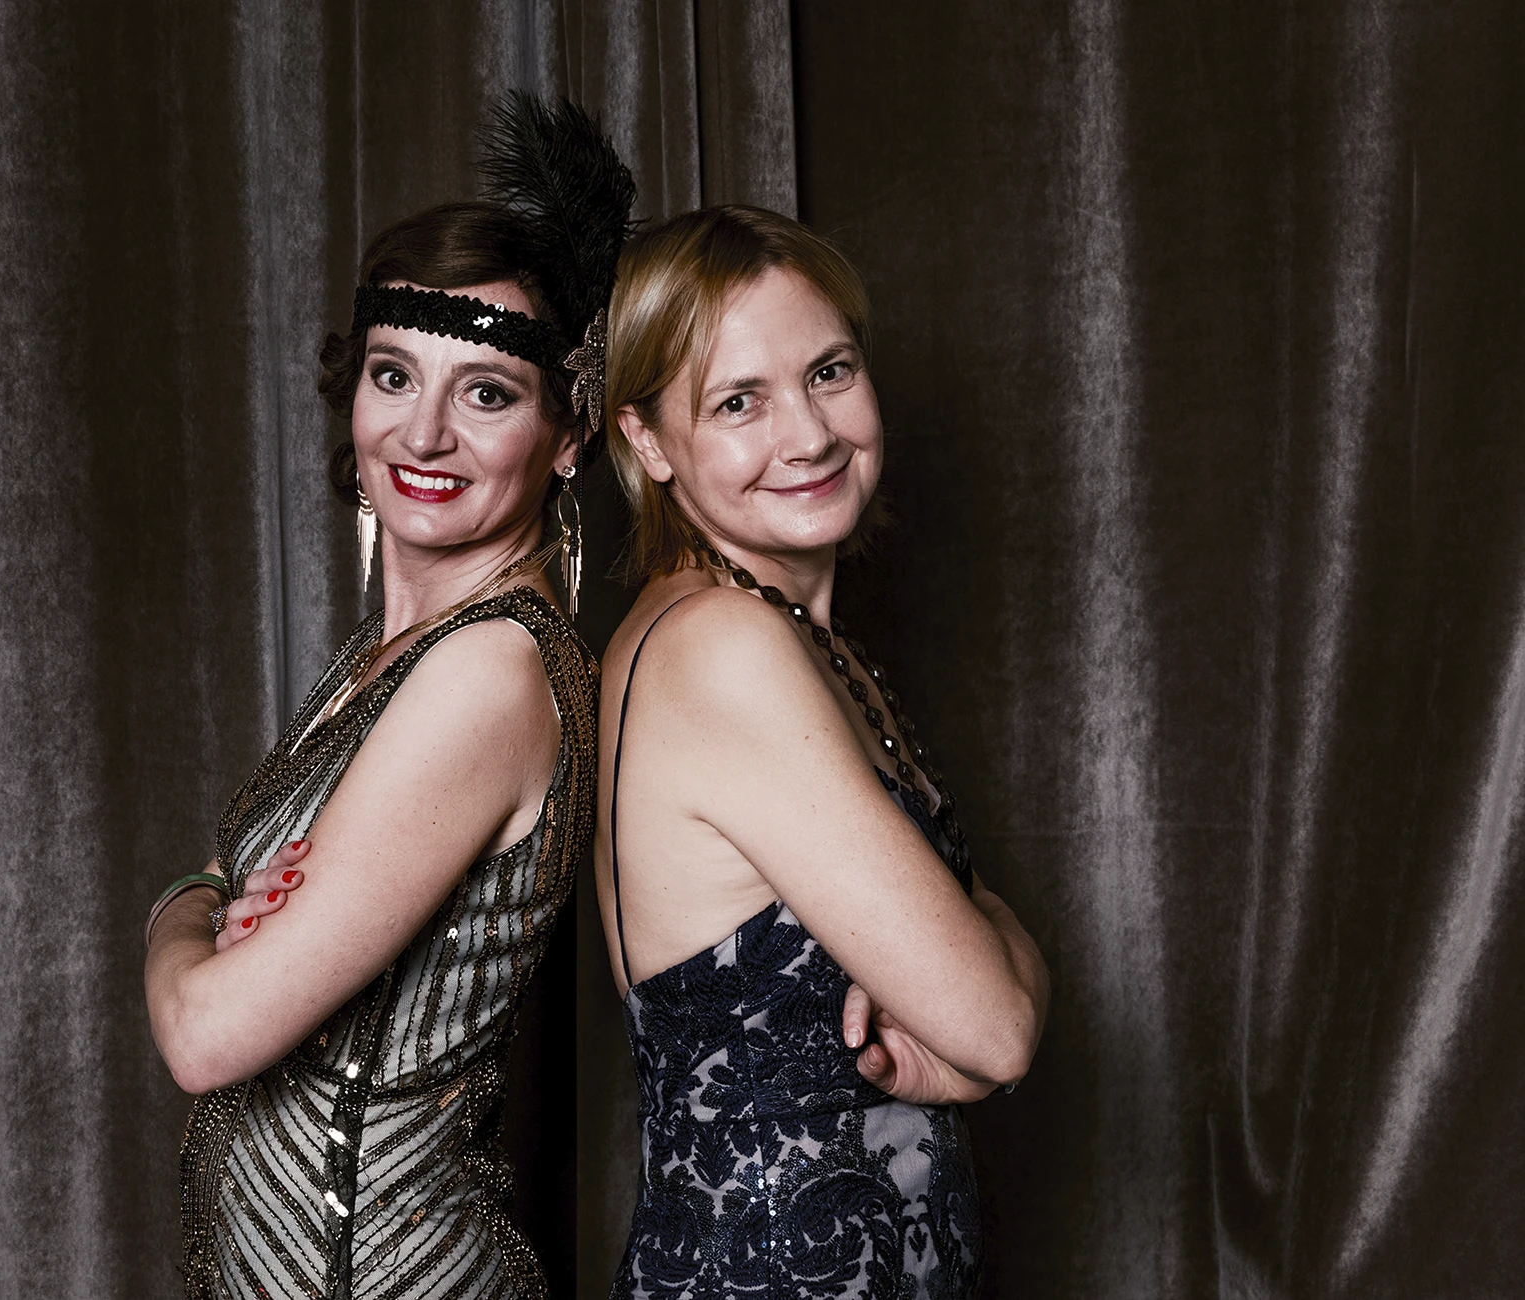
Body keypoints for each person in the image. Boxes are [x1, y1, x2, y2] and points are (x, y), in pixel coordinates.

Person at [143, 97, 634, 1299]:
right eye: (393, 374)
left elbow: (209, 1035)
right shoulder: (392, 648)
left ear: (565, 434)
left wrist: (176, 911)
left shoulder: (488, 669)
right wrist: (211, 911)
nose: (424, 431)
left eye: (487, 393)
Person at [597, 206, 1051, 1299]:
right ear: (649, 442)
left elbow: (993, 997)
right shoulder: (721, 647)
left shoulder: (806, 645)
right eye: (739, 401)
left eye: (830, 372)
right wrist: (984, 1009)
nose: (807, 434)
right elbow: (999, 1021)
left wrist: (984, 992)